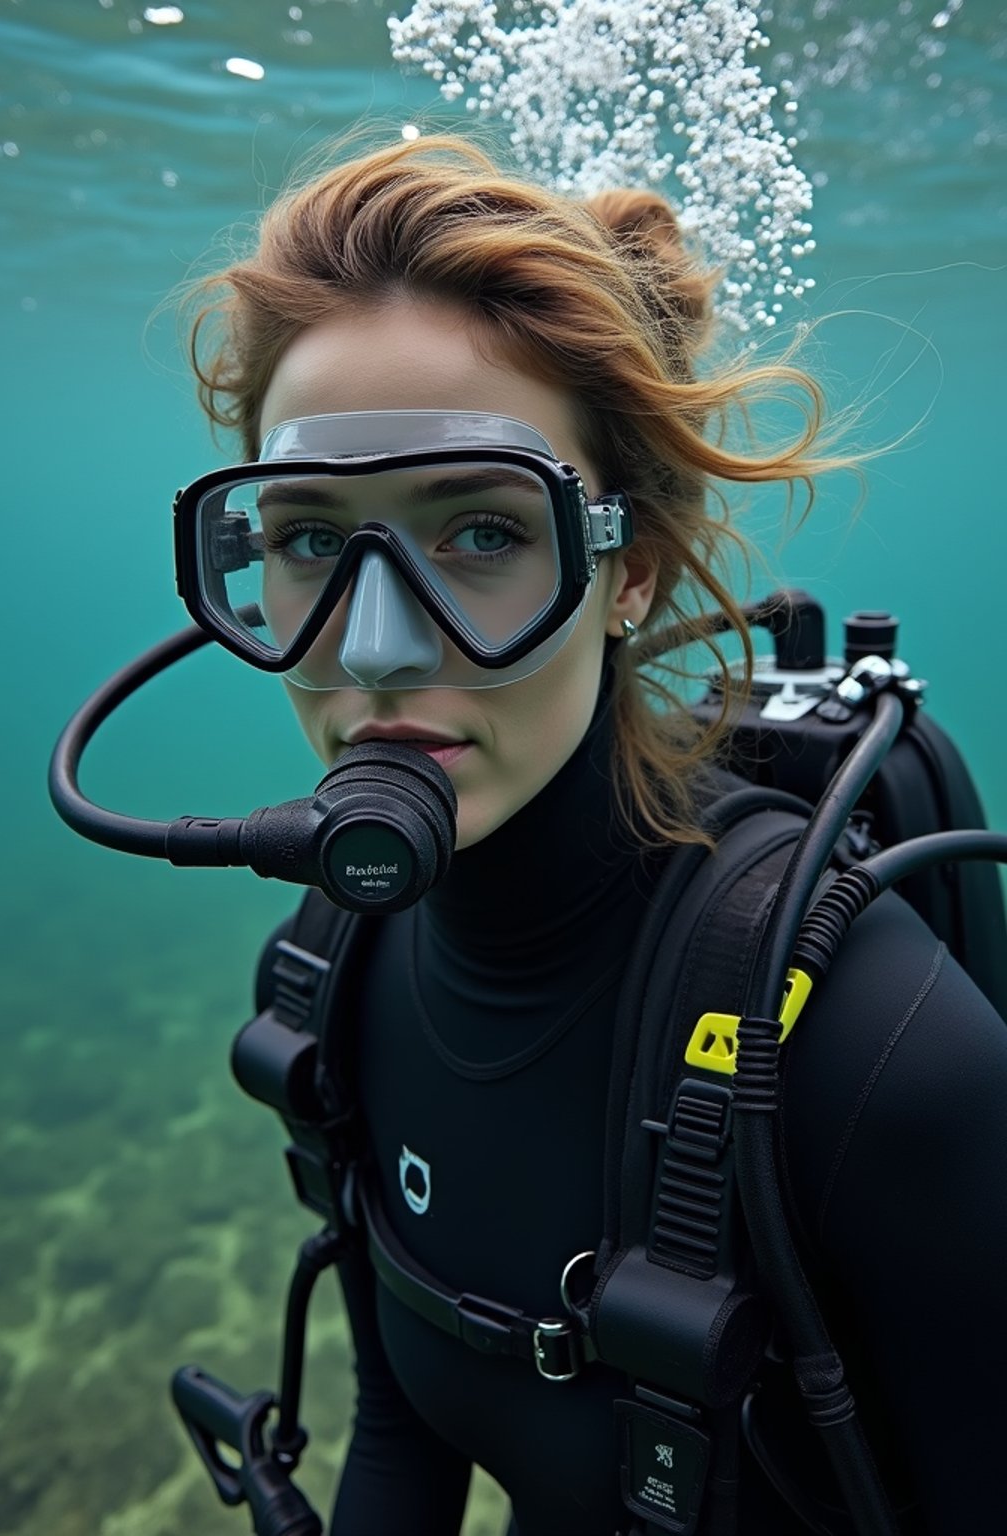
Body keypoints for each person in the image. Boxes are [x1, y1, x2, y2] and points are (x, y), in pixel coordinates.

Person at [176, 134, 1007, 1536]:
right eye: (311, 540)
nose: (373, 655)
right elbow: (403, 1422)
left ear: (634, 572)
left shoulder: (872, 1053)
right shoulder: (329, 969)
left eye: (481, 533)